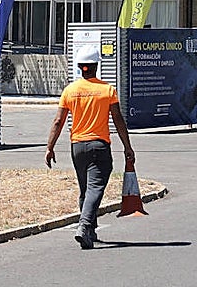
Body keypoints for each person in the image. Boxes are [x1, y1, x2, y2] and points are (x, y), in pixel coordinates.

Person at [45, 44, 136, 249]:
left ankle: (91, 231)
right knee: (95, 188)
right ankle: (84, 226)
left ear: (80, 67)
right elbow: (118, 119)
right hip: (99, 146)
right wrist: (127, 146)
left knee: (86, 189)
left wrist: (50, 147)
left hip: (77, 147)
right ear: (96, 66)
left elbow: (58, 122)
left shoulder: (70, 90)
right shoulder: (107, 90)